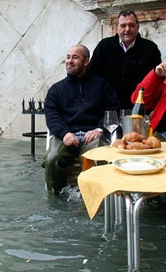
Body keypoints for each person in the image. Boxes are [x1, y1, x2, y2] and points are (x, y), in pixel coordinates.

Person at [43, 45, 121, 194]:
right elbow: (52, 115)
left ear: (86, 61)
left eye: (75, 57)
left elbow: (113, 110)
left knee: (99, 154)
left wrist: (99, 129)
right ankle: (56, 199)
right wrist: (64, 133)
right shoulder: (56, 89)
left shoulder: (101, 85)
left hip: (92, 136)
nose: (69, 61)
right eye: (68, 57)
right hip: (65, 136)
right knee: (52, 158)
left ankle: (94, 197)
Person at [88, 10, 161, 110]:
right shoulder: (104, 46)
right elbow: (93, 75)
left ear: (138, 27)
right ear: (117, 28)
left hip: (139, 108)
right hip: (108, 108)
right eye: (123, 26)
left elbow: (155, 81)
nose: (127, 29)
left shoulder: (150, 49)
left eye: (132, 25)